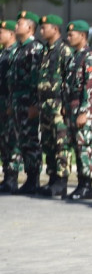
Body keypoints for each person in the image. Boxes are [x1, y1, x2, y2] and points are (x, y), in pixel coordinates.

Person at [35, 14, 74, 198]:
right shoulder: (45, 51)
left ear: (55, 29)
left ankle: (61, 181)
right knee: (48, 143)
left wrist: (67, 104)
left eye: (45, 27)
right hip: (45, 105)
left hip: (59, 105)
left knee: (61, 143)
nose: (41, 31)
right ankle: (52, 179)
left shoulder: (64, 51)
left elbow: (71, 80)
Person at [8, 11, 44, 195]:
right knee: (22, 140)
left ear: (30, 27)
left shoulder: (35, 49)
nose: (16, 26)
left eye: (19, 23)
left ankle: (33, 179)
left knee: (30, 141)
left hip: (27, 103)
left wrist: (34, 104)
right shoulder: (20, 49)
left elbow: (35, 80)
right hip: (17, 102)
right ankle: (29, 178)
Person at [62, 21, 92, 201]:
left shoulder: (89, 56)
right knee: (76, 147)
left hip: (82, 109)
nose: (68, 38)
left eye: (72, 34)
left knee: (84, 147)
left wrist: (84, 111)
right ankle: (80, 183)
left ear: (82, 36)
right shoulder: (74, 56)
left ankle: (87, 185)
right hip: (72, 107)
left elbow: (90, 85)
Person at [0, 20, 19, 193]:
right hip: (2, 101)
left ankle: (12, 178)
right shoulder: (3, 53)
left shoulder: (15, 53)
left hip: (10, 101)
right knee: (4, 141)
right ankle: (7, 176)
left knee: (12, 140)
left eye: (2, 31)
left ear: (11, 34)